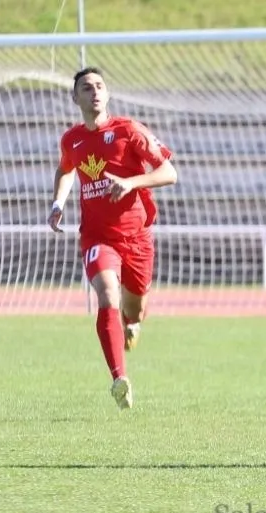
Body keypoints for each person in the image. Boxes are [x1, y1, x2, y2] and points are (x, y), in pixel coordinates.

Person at [48, 66, 178, 410]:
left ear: (107, 94)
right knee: (107, 295)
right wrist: (58, 203)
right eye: (86, 88)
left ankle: (132, 323)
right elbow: (65, 169)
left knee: (133, 308)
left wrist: (132, 183)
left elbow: (169, 172)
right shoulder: (71, 140)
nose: (94, 92)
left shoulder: (129, 130)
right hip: (96, 238)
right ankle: (119, 378)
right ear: (75, 98)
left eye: (99, 86)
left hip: (136, 237)